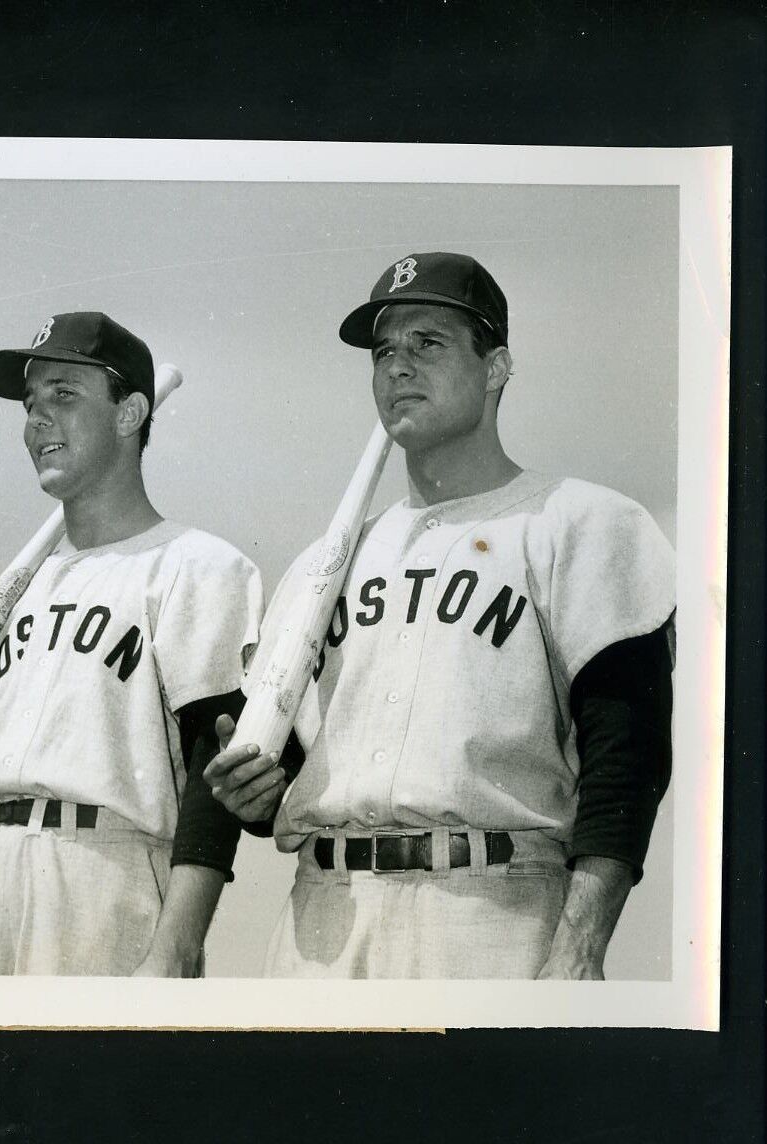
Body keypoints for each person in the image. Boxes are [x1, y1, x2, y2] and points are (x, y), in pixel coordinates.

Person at [206, 253, 675, 979]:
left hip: (491, 910)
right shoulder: (321, 564)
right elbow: (290, 772)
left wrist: (581, 945)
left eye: (428, 343)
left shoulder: (581, 523)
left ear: (496, 368)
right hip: (320, 921)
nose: (397, 367)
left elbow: (628, 756)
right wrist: (255, 795)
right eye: (384, 351)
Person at [0, 312, 263, 976]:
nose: (37, 421)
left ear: (132, 413)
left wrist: (177, 945)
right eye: (31, 404)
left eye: (64, 397)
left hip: (101, 880)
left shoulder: (198, 565)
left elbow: (211, 772)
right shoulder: (14, 593)